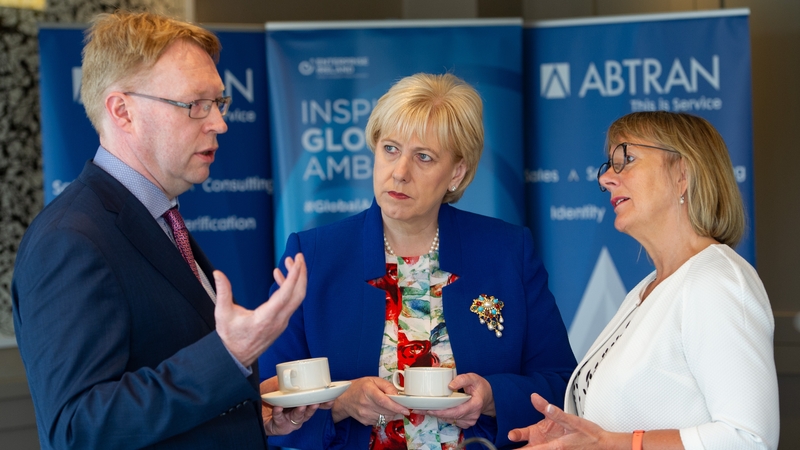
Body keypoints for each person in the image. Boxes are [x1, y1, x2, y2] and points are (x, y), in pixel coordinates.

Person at [12, 11, 318, 449]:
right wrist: (228, 355)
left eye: (219, 103)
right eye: (194, 104)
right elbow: (78, 428)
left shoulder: (156, 218)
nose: (219, 123)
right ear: (122, 111)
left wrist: (252, 412)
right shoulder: (70, 241)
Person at [261, 73, 577, 449]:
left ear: (456, 173)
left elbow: (561, 384)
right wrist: (342, 404)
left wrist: (493, 397)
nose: (400, 172)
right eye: (390, 149)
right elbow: (266, 402)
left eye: (423, 157)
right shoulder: (312, 255)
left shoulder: (507, 251)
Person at [508, 111, 780, 450]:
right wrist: (575, 438)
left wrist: (618, 443)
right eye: (608, 165)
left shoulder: (716, 280)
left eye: (627, 160)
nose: (606, 178)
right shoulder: (647, 290)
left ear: (683, 174)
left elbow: (749, 439)